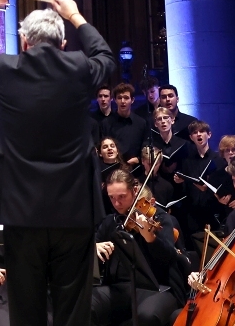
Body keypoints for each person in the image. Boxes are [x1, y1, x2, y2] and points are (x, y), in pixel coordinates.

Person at [0, 0, 115, 326]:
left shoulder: (4, 69)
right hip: (74, 212)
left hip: (21, 212)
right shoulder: (79, 68)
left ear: (24, 42)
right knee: (73, 310)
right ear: (63, 44)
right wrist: (75, 15)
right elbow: (106, 57)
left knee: (26, 310)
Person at [92, 169, 183, 326]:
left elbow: (170, 256)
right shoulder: (111, 221)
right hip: (119, 287)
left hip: (158, 288)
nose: (117, 203)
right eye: (112, 198)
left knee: (146, 316)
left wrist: (150, 237)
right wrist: (94, 246)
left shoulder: (159, 217)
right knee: (88, 304)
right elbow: (92, 246)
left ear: (134, 190)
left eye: (122, 197)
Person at [99, 83, 148, 164]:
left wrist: (138, 159)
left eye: (126, 98)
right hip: (113, 168)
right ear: (115, 100)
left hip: (135, 168)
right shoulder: (106, 123)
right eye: (119, 98)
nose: (122, 101)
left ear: (132, 100)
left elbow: (145, 146)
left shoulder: (141, 123)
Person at [149, 106, 189, 182]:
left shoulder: (183, 143)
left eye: (166, 117)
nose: (163, 121)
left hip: (179, 185)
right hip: (159, 184)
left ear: (172, 120)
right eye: (159, 119)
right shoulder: (151, 145)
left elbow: (188, 167)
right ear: (155, 124)